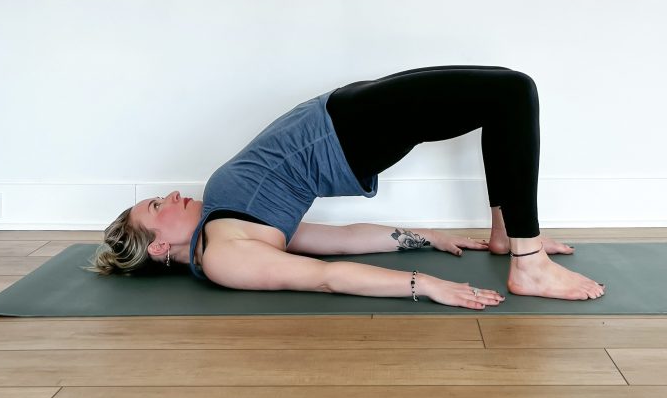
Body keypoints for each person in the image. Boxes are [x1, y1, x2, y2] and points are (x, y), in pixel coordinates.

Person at [86, 65, 605, 306]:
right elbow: (324, 276)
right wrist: (424, 284)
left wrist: (425, 237)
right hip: (349, 128)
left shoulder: (223, 225)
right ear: (158, 244)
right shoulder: (224, 256)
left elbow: (334, 238)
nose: (172, 195)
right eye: (158, 205)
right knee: (511, 94)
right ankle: (528, 262)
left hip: (345, 116)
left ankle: (508, 236)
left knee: (504, 97)